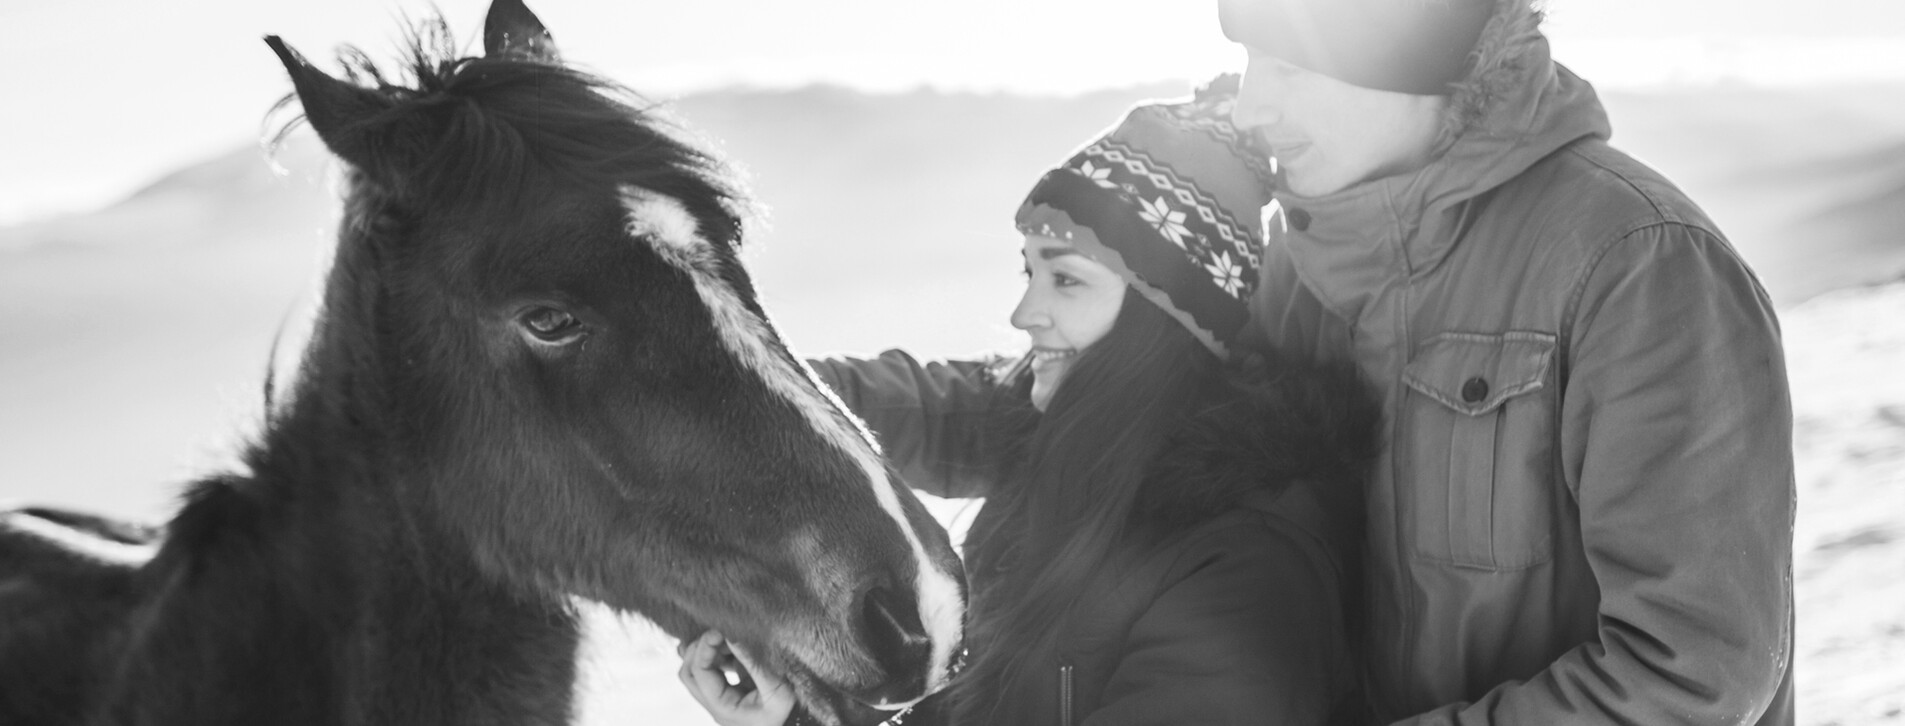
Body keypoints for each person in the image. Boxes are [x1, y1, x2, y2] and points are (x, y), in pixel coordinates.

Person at [718, 0, 1799, 723]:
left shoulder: (1634, 264)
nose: (1253, 102)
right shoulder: (1304, 269)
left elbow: (1694, 666)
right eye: (1247, 62)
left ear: (1401, 53)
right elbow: (1084, 401)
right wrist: (755, 398)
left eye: (1286, 64)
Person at [680, 84, 1378, 726]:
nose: (1022, 313)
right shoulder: (1065, 454)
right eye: (1028, 271)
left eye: (1065, 281)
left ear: (1166, 317)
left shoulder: (1241, 562)